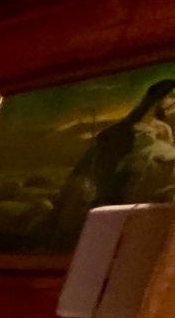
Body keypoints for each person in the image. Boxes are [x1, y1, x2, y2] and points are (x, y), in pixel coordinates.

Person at [46, 78, 175, 251]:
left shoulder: (164, 130)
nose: (173, 103)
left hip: (149, 193)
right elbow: (105, 169)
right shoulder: (119, 131)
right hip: (121, 191)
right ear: (157, 98)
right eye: (171, 96)